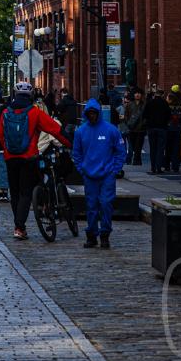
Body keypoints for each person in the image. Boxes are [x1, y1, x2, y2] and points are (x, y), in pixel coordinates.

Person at [0, 84, 69, 240]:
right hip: (29, 158)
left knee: (15, 192)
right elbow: (54, 130)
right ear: (30, 96)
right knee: (26, 192)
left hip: (10, 159)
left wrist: (8, 150)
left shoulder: (5, 113)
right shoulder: (34, 112)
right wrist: (71, 144)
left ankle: (19, 227)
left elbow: (0, 135)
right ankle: (19, 227)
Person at [72, 98, 126, 249]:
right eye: (89, 113)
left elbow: (121, 151)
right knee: (91, 206)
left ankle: (104, 234)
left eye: (94, 113)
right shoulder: (81, 132)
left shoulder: (111, 130)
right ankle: (92, 235)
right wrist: (81, 169)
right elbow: (76, 153)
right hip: (90, 175)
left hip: (107, 174)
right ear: (86, 114)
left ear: (98, 113)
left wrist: (115, 170)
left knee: (106, 204)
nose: (92, 116)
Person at [143, 87, 171, 174]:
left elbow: (144, 115)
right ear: (162, 95)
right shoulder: (165, 103)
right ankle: (158, 167)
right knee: (160, 148)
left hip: (151, 128)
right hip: (162, 128)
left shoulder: (149, 103)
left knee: (153, 148)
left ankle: (153, 167)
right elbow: (168, 116)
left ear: (155, 94)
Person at [123, 88, 146, 166]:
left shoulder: (144, 104)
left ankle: (137, 161)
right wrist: (128, 123)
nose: (137, 94)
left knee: (138, 146)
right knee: (133, 145)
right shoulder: (129, 104)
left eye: (139, 93)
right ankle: (135, 160)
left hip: (141, 129)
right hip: (131, 129)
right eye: (136, 93)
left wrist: (144, 124)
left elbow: (146, 116)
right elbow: (126, 116)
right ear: (133, 94)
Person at [165, 89, 181, 175]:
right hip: (177, 129)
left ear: (171, 100)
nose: (166, 99)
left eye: (167, 98)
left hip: (168, 129)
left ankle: (167, 165)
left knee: (168, 148)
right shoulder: (180, 109)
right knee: (176, 148)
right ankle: (175, 166)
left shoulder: (167, 108)